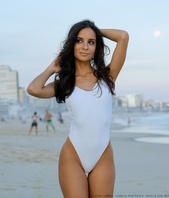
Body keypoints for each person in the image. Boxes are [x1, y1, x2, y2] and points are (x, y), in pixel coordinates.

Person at [26, 20, 129, 198]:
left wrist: (95, 31)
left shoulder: (107, 77)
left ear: (96, 47)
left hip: (102, 155)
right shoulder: (65, 83)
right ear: (72, 44)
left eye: (91, 42)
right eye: (79, 40)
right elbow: (33, 89)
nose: (85, 47)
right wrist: (51, 69)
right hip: (73, 156)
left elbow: (123, 36)